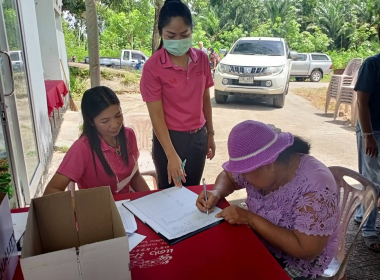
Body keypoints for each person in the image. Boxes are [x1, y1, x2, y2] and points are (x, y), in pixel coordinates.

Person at [196, 121, 339, 280]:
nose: (241, 177)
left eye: (245, 172)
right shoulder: (263, 170)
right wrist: (217, 191)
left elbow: (305, 250)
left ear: (269, 163)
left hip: (298, 263)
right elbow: (228, 176)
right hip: (263, 243)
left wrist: (250, 218)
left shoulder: (315, 186)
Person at [140, 0, 215, 189]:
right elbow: (156, 116)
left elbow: (205, 99)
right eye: (171, 36)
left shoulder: (202, 60)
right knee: (169, 194)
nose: (178, 41)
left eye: (184, 35)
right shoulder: (153, 67)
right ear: (161, 34)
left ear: (191, 31)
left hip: (198, 137)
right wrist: (171, 155)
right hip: (169, 139)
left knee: (192, 191)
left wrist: (210, 134)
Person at [44, 86, 150, 195]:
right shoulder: (82, 148)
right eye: (105, 121)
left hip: (126, 203)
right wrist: (76, 204)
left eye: (118, 116)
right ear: (91, 121)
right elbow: (51, 191)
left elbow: (135, 177)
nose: (114, 125)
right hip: (97, 208)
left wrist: (151, 201)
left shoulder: (128, 135)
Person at [353, 25, 380, 252]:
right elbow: (362, 102)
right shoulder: (372, 64)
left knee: (371, 178)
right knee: (373, 181)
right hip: (372, 131)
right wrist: (368, 135)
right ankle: (370, 231)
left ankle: (362, 214)